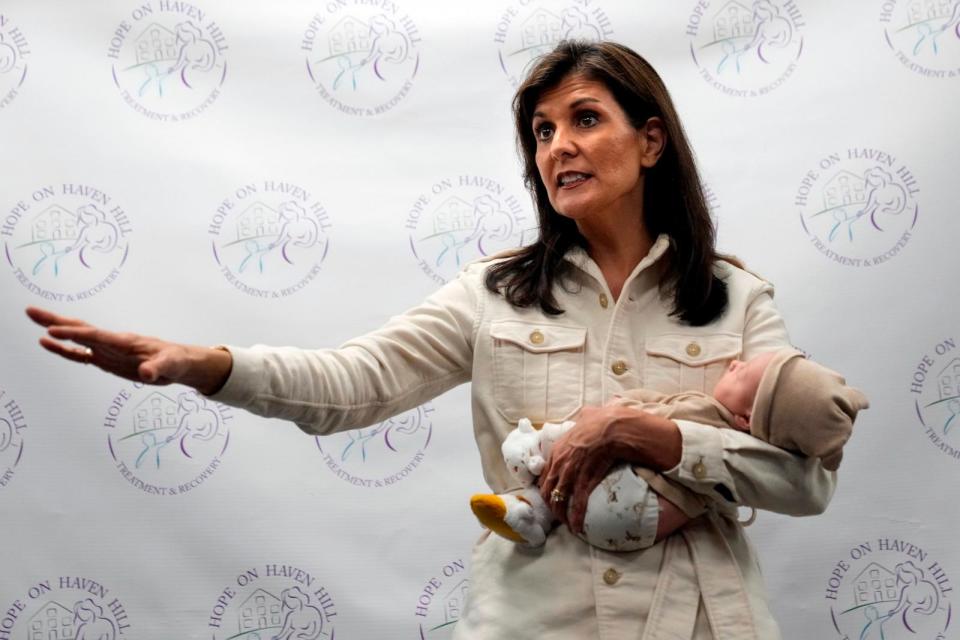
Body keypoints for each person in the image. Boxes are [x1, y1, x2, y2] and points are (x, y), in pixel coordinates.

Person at [26, 41, 837, 638]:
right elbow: (357, 381)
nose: (558, 146)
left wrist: (655, 438)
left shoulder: (737, 299)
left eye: (585, 120)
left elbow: (806, 483)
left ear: (652, 141)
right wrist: (209, 367)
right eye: (543, 131)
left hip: (699, 622)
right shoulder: (492, 294)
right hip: (532, 622)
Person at [471, 348, 868, 550]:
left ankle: (531, 457)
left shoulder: (741, 294)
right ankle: (527, 511)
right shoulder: (494, 285)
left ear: (748, 419)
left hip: (686, 606)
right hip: (539, 606)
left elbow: (809, 487)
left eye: (742, 370)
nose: (733, 362)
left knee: (560, 440)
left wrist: (643, 433)